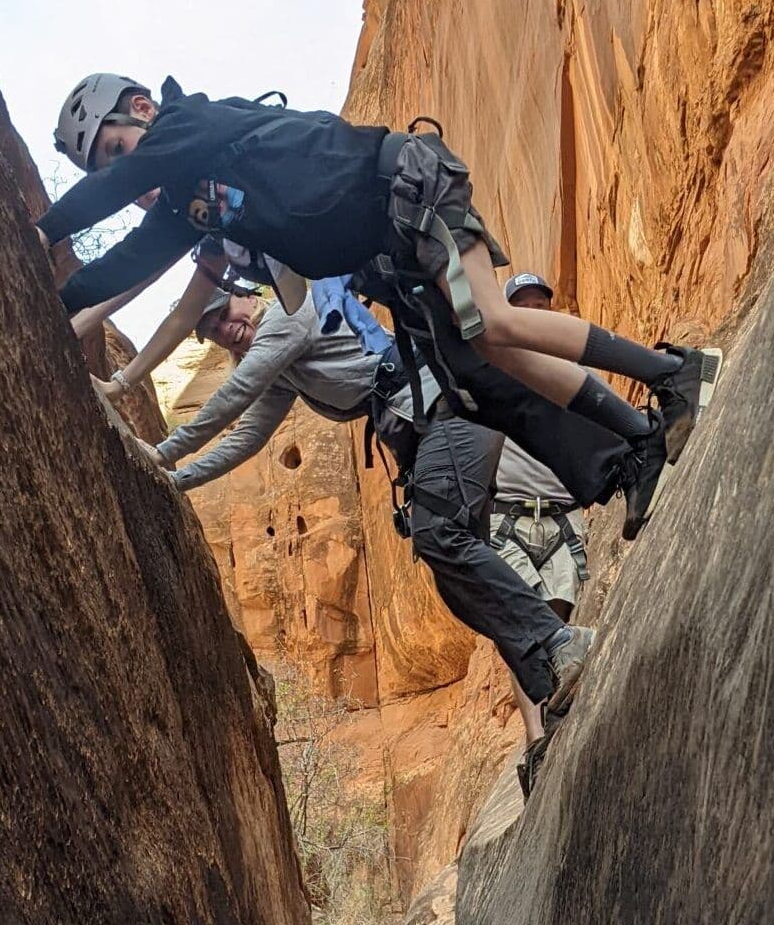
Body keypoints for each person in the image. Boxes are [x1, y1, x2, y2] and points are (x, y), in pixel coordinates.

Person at [35, 73, 722, 539]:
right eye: (112, 168)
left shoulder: (191, 123)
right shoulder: (190, 202)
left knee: (495, 320)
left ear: (143, 111)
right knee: (487, 363)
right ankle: (636, 452)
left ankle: (675, 373)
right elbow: (132, 264)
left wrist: (42, 233)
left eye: (119, 150)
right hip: (396, 247)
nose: (127, 176)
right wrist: (56, 304)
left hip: (408, 187)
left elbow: (127, 184)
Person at [152, 284, 623, 714]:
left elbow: (235, 393)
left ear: (244, 296)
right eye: (211, 331)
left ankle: (562, 641)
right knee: (456, 583)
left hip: (452, 412)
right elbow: (246, 438)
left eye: (222, 314)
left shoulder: (289, 316)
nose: (223, 331)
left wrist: (161, 453)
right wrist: (180, 479)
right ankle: (548, 684)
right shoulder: (283, 371)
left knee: (438, 532)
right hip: (429, 433)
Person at [490, 274, 589, 742]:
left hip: (562, 517)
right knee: (519, 625)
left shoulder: (575, 372)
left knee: (555, 625)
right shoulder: (491, 371)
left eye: (540, 304)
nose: (533, 311)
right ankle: (534, 739)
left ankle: (551, 713)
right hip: (508, 517)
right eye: (522, 305)